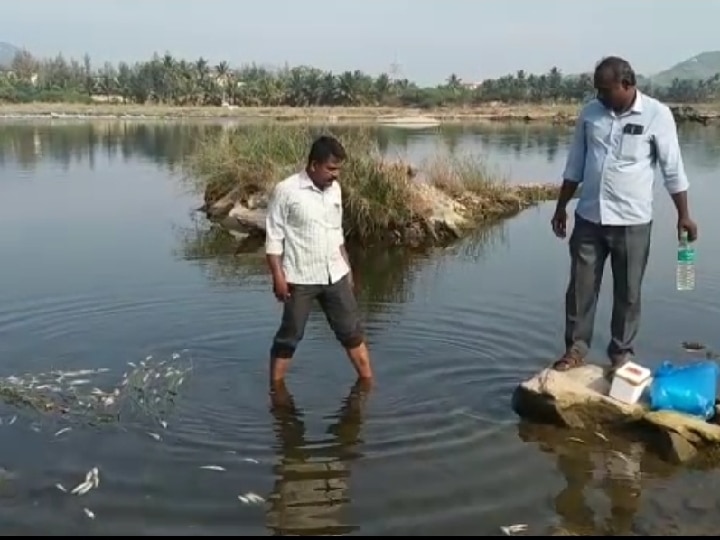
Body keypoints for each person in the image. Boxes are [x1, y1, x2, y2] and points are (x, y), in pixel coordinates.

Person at [550, 56, 698, 376]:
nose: (600, 96)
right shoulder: (590, 114)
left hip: (632, 222)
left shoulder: (657, 115)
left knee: (628, 292)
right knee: (580, 290)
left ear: (627, 85)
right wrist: (561, 206)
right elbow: (575, 163)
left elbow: (673, 170)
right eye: (597, 91)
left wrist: (683, 215)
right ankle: (575, 350)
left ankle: (621, 354)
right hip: (589, 217)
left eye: (606, 90)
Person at [264, 135, 373, 383]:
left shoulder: (335, 190)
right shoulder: (287, 191)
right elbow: (273, 239)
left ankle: (368, 385)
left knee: (352, 332)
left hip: (335, 274)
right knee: (289, 336)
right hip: (300, 277)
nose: (335, 175)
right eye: (331, 169)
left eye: (338, 170)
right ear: (313, 165)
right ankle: (276, 390)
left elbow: (337, 233)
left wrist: (347, 270)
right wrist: (278, 277)